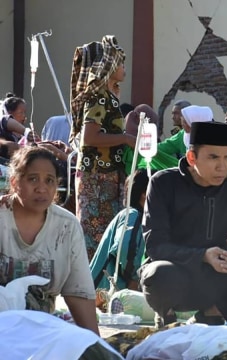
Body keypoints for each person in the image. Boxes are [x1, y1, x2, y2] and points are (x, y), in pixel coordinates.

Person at [140, 121, 227, 327]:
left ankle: (211, 314)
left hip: (220, 273)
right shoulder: (163, 183)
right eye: (213, 157)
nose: (222, 166)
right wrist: (202, 256)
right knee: (158, 274)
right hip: (179, 271)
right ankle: (167, 316)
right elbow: (156, 245)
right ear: (192, 157)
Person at [0, 146, 98, 335]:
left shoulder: (67, 227)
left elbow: (79, 294)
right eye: (33, 179)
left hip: (41, 329)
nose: (41, 188)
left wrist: (97, 348)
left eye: (49, 180)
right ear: (14, 182)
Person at [70, 35, 136, 260]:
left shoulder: (108, 96)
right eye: (121, 63)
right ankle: (91, 287)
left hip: (106, 175)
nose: (124, 68)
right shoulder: (98, 97)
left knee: (107, 232)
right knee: (95, 236)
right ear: (108, 65)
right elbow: (90, 137)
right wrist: (126, 138)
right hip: (96, 178)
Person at [90, 169, 151, 291]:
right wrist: (133, 278)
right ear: (144, 194)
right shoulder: (132, 215)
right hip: (104, 291)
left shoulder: (141, 218)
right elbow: (125, 248)